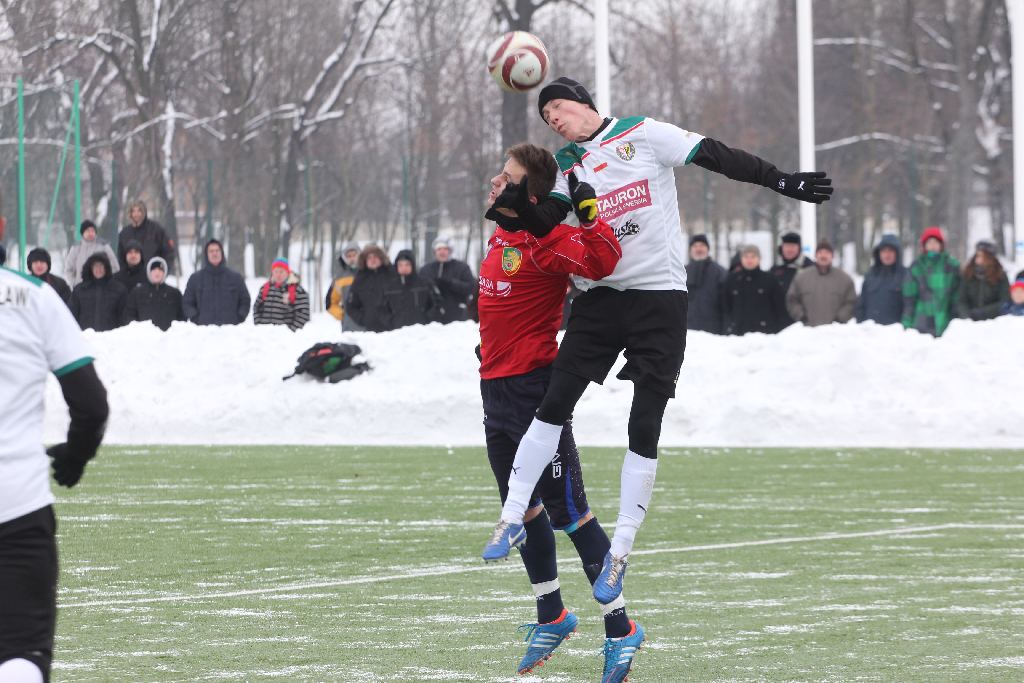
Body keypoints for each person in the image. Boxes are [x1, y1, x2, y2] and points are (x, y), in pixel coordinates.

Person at [482, 76, 832, 681]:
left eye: (558, 106)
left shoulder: (642, 135)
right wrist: (524, 206)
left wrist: (781, 181)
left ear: (585, 102)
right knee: (556, 403)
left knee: (644, 422)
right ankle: (513, 520)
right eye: (546, 115)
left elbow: (715, 154)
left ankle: (619, 552)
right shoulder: (566, 166)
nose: (554, 119)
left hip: (658, 297)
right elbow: (550, 223)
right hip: (599, 302)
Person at [478, 144, 628, 676]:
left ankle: (621, 627)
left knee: (570, 513)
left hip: (535, 393)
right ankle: (553, 615)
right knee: (522, 507)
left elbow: (603, 260)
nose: (496, 182)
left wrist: (588, 212)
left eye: (507, 177)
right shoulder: (501, 234)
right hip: (494, 389)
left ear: (531, 194)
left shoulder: (547, 242)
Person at [0, 262, 108, 683]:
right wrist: (76, 454)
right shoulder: (35, 296)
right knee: (19, 657)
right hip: (17, 510)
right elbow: (92, 403)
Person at [902, 226, 961, 337]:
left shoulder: (951, 265)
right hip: (921, 323)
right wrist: (906, 323)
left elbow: (957, 295)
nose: (932, 246)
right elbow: (909, 299)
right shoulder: (916, 266)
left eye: (935, 242)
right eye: (929, 243)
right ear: (924, 245)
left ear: (941, 245)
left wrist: (957, 319)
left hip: (946, 322)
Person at [785, 239, 856, 327]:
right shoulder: (801, 277)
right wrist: (801, 316)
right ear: (815, 255)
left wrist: (839, 319)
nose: (823, 255)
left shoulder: (844, 279)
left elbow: (851, 302)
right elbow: (792, 300)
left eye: (827, 252)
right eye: (820, 252)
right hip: (808, 331)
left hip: (836, 332)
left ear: (832, 256)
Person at [722, 245, 788, 335]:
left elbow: (780, 308)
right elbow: (725, 307)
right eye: (746, 257)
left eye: (753, 257)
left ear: (759, 259)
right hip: (738, 334)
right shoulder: (732, 280)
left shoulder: (770, 280)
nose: (749, 260)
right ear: (741, 259)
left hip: (765, 333)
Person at [182, 239, 250, 326]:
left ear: (222, 253)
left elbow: (245, 300)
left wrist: (239, 317)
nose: (215, 253)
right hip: (203, 330)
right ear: (206, 255)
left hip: (230, 330)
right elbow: (187, 302)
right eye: (211, 251)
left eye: (217, 250)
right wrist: (196, 318)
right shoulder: (195, 279)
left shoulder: (235, 278)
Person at [419, 236, 476, 324]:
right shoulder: (426, 270)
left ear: (450, 251)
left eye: (445, 249)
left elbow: (472, 288)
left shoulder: (462, 267)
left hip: (458, 318)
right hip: (432, 321)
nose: (442, 252)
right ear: (434, 251)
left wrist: (450, 283)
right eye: (439, 249)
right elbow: (419, 291)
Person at [856, 234, 906, 325]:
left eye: (890, 251)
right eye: (883, 251)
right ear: (878, 254)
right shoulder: (870, 275)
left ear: (897, 253)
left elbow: (909, 307)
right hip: (871, 329)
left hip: (895, 330)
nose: (887, 254)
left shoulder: (905, 275)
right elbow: (861, 304)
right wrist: (860, 324)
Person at [122, 257, 185, 331]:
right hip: (145, 335)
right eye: (154, 269)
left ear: (165, 272)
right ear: (149, 271)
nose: (157, 273)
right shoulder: (137, 292)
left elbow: (182, 317)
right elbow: (129, 316)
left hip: (169, 336)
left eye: (160, 270)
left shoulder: (175, 293)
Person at [68, 253, 127, 332]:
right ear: (90, 268)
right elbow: (71, 316)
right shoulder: (79, 290)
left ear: (106, 267)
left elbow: (124, 318)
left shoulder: (118, 289)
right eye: (95, 266)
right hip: (86, 336)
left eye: (101, 265)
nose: (98, 269)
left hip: (111, 336)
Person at [956, 240, 1009, 321]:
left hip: (994, 322)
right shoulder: (968, 274)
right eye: (977, 255)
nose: (977, 258)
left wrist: (984, 313)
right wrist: (966, 317)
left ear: (989, 258)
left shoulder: (1000, 276)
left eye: (981, 256)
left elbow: (1004, 301)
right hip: (970, 322)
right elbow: (961, 300)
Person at [253, 258, 310, 331]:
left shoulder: (297, 290)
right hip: (265, 333)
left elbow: (304, 313)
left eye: (281, 272)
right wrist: (259, 325)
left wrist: (291, 331)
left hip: (286, 335)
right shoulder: (265, 288)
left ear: (287, 272)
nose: (278, 275)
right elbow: (256, 307)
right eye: (276, 271)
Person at [346, 245, 394, 333]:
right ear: (364, 260)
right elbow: (350, 306)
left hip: (394, 330)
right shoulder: (360, 279)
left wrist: (395, 318)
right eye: (369, 257)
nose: (372, 260)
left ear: (381, 258)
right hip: (370, 331)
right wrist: (364, 319)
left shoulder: (393, 274)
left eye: (375, 256)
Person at [684, 234, 726, 334]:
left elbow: (725, 303)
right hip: (688, 331)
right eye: (695, 246)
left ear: (708, 249)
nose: (699, 249)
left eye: (702, 245)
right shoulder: (682, 272)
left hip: (713, 330)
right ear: (690, 250)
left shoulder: (720, 272)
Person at [117, 200, 174, 273]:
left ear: (144, 212)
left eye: (139, 211)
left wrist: (163, 270)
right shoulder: (124, 233)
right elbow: (121, 257)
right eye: (133, 211)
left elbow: (168, 252)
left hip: (152, 274)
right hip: (130, 276)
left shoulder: (156, 230)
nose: (136, 214)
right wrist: (124, 273)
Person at [383, 250, 432, 329]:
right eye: (400, 265)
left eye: (407, 264)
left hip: (421, 330)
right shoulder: (390, 286)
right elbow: (382, 309)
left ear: (412, 265)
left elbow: (434, 305)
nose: (404, 268)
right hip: (397, 331)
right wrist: (391, 323)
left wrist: (426, 320)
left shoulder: (423, 284)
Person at [64, 220, 119, 288]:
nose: (90, 233)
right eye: (87, 231)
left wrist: (106, 282)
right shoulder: (75, 248)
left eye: (92, 231)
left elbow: (115, 267)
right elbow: (68, 270)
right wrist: (75, 284)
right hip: (82, 288)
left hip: (101, 288)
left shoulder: (104, 246)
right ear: (82, 233)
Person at [325, 242, 362, 331]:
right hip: (349, 327)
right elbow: (330, 303)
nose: (352, 258)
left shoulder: (369, 272)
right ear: (345, 258)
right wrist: (344, 315)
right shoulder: (340, 278)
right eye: (349, 256)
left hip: (371, 327)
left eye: (354, 255)